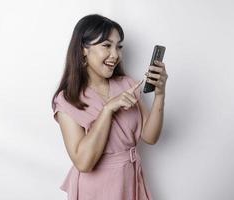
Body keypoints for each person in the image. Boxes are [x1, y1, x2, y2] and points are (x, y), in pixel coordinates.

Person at [51, 14, 168, 200]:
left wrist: (160, 95)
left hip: (129, 181)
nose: (115, 55)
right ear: (83, 50)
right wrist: (107, 110)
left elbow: (150, 136)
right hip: (96, 189)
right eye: (106, 45)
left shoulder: (128, 84)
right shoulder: (67, 99)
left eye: (119, 47)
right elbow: (83, 163)